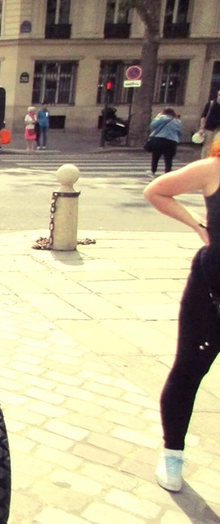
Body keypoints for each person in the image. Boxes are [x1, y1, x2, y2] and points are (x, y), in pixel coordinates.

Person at [143, 136, 220, 493]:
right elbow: (157, 191)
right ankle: (172, 453)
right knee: (188, 370)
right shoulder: (213, 169)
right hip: (210, 292)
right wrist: (196, 224)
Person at [147, 108, 184, 177]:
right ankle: (167, 173)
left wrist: (156, 117)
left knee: (156, 156)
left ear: (164, 112)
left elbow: (152, 126)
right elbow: (179, 132)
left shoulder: (161, 117)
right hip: (172, 141)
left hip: (160, 139)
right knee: (168, 158)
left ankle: (153, 171)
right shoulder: (177, 121)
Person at [198, 90, 220, 159]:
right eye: (219, 95)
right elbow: (203, 116)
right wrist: (201, 128)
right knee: (207, 146)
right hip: (209, 128)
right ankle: (204, 161)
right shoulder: (211, 104)